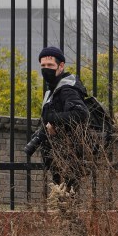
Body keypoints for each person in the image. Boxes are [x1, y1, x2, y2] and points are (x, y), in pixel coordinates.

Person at [35, 45, 90, 194]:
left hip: (68, 156)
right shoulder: (51, 90)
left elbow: (81, 114)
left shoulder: (67, 89)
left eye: (50, 65)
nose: (46, 69)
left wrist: (53, 120)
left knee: (67, 201)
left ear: (61, 66)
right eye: (43, 65)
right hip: (57, 157)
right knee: (61, 203)